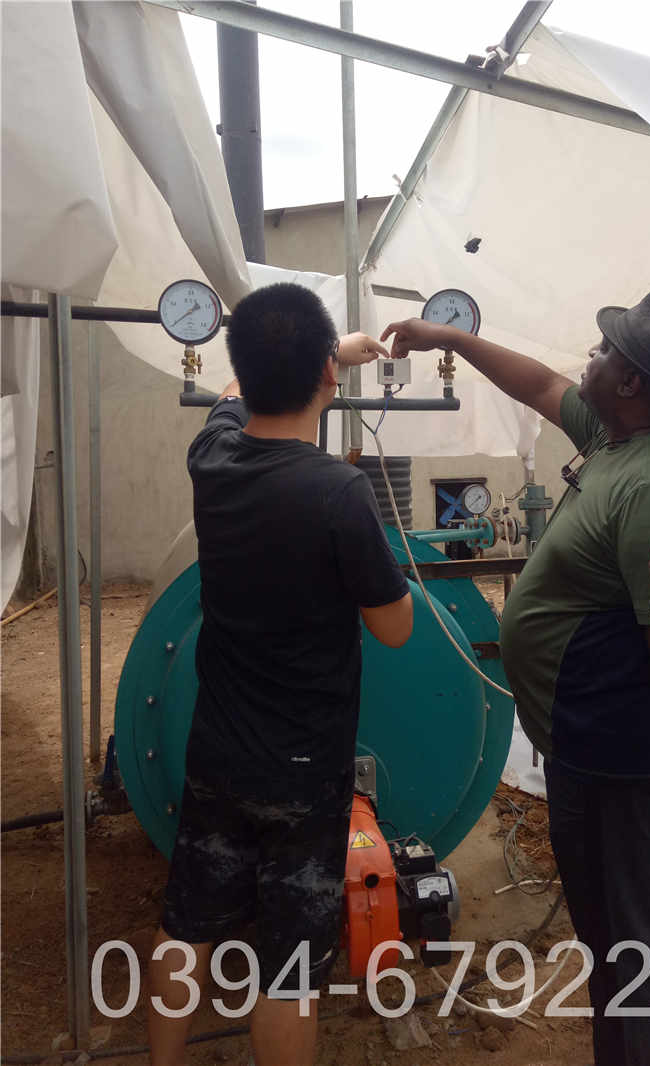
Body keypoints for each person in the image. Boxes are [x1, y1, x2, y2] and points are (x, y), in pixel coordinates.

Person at [382, 288, 650, 1066]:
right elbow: (537, 383)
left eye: (605, 350)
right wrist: (447, 338)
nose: (588, 357)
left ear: (631, 383)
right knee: (608, 939)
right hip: (583, 750)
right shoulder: (617, 436)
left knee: (633, 948)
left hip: (621, 770)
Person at [147, 283, 413, 1066]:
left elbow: (233, 396)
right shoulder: (340, 492)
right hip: (305, 773)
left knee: (186, 926)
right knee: (289, 970)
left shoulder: (212, 457)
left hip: (218, 753)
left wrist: (330, 352)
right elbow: (394, 628)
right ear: (329, 374)